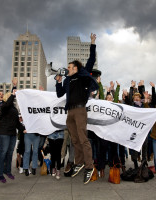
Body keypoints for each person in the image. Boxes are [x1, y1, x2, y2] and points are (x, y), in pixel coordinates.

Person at [55, 33, 98, 184]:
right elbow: (60, 93)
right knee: (74, 139)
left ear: (75, 68)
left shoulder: (82, 76)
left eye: (69, 67)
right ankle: (79, 162)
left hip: (80, 110)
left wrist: (92, 43)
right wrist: (58, 81)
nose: (67, 69)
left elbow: (91, 60)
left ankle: (89, 166)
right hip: (70, 112)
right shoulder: (67, 81)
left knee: (83, 138)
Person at [0, 90, 26, 183]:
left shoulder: (14, 109)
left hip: (12, 133)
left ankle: (7, 171)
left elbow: (17, 122)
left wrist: (23, 129)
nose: (13, 98)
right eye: (11, 97)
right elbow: (7, 104)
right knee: (3, 153)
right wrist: (12, 95)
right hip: (4, 132)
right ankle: (0, 173)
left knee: (9, 153)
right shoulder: (4, 106)